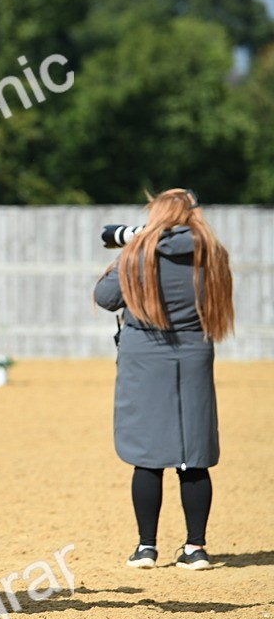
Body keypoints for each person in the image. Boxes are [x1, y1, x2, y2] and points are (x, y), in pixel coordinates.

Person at [94, 189, 234, 571]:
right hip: (194, 354)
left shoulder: (139, 252)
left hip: (144, 357)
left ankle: (146, 548)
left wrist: (129, 248)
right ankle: (196, 548)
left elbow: (105, 298)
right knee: (194, 456)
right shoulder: (212, 253)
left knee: (147, 457)